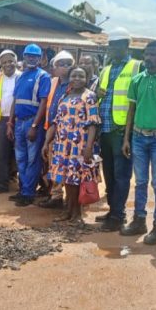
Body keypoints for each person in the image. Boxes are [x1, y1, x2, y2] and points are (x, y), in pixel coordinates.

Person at [121, 40, 156, 245]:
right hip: (138, 137)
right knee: (140, 182)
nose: (148, 58)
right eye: (146, 54)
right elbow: (131, 111)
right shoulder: (137, 80)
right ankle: (139, 220)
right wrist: (126, 138)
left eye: (153, 54)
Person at [95, 28, 141, 231]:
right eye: (110, 45)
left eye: (116, 45)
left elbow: (139, 100)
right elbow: (99, 95)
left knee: (122, 175)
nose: (111, 49)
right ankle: (113, 209)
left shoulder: (136, 67)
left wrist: (130, 134)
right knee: (109, 173)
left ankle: (118, 215)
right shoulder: (105, 70)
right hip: (104, 128)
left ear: (126, 46)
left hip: (122, 130)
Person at [43, 67, 100, 222]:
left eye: (81, 76)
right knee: (67, 179)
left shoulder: (89, 97)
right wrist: (46, 142)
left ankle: (77, 213)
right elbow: (55, 122)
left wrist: (89, 147)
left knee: (77, 179)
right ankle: (68, 211)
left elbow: (93, 123)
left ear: (87, 78)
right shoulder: (64, 96)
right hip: (62, 145)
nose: (77, 78)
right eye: (74, 75)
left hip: (79, 145)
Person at [8, 43, 51, 207]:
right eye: (28, 56)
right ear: (24, 57)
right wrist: (10, 122)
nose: (31, 58)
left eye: (35, 56)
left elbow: (43, 102)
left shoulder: (43, 76)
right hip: (19, 123)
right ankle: (23, 189)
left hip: (32, 123)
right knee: (21, 158)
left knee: (33, 159)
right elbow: (15, 100)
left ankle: (28, 193)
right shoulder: (20, 76)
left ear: (40, 59)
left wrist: (34, 126)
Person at [39, 50, 75, 209]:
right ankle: (56, 195)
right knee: (53, 164)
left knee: (67, 165)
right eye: (62, 64)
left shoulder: (75, 84)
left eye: (69, 64)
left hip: (68, 133)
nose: (65, 67)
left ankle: (70, 199)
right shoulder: (53, 82)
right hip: (52, 129)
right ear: (55, 67)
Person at [0, 50, 20, 195]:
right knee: (1, 153)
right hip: (1, 120)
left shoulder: (21, 77)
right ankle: (2, 183)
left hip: (19, 120)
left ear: (15, 61)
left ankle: (21, 185)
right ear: (0, 64)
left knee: (19, 152)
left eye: (10, 61)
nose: (8, 64)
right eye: (5, 62)